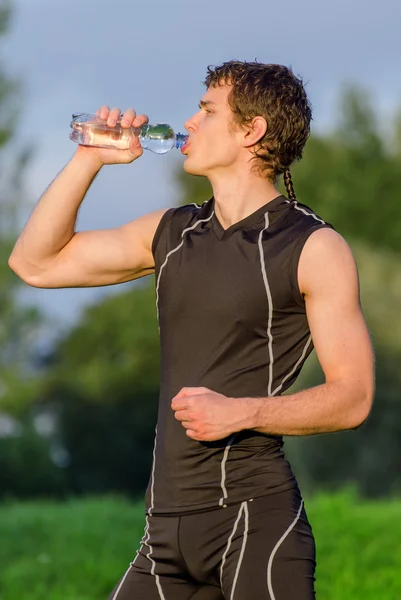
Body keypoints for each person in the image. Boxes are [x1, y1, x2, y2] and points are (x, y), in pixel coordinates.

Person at [9, 61, 374, 599]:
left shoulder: (313, 247)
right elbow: (34, 263)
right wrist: (89, 160)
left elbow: (354, 397)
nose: (190, 121)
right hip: (164, 537)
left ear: (252, 131)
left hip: (254, 523)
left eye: (206, 110)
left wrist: (242, 412)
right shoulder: (172, 232)